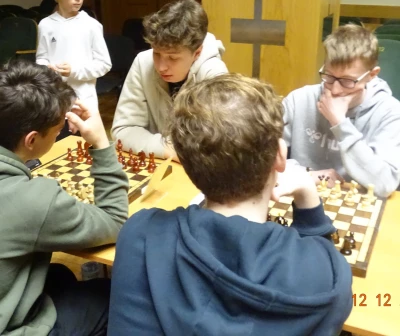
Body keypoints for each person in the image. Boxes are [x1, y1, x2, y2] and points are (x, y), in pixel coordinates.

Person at [108, 73, 353, 336]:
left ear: (186, 165)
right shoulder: (328, 279)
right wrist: (308, 200)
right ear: (280, 156)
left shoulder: (140, 234)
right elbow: (324, 266)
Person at [0, 60, 129, 336]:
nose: (61, 132)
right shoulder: (34, 200)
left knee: (59, 274)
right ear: (31, 140)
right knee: (111, 297)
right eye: (58, 129)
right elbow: (116, 222)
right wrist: (100, 142)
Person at [283, 24, 400, 197]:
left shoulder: (390, 112)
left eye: (347, 81)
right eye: (329, 76)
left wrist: (340, 124)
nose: (335, 90)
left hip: (356, 202)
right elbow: (261, 162)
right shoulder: (298, 100)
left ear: (371, 75)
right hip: (301, 195)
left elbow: (385, 184)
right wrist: (309, 175)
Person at [111, 0, 228, 160]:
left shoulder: (214, 74)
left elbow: (216, 144)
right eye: (156, 53)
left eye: (173, 58)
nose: (161, 67)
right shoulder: (143, 62)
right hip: (157, 162)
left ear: (197, 52)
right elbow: (123, 130)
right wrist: (168, 149)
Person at [36, 0, 111, 110]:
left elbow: (104, 64)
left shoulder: (91, 25)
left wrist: (73, 71)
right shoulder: (45, 25)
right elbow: (41, 58)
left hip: (84, 99)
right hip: (55, 98)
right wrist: (46, 68)